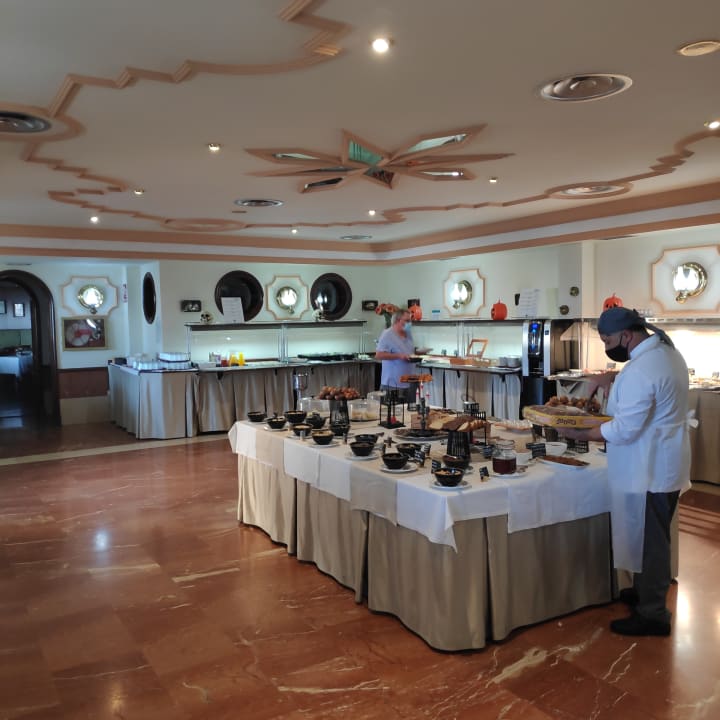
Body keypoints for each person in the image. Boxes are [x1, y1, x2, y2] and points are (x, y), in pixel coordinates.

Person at [562, 306, 696, 637]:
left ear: (626, 335)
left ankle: (653, 613)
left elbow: (624, 430)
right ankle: (643, 591)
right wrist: (609, 378)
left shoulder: (643, 369)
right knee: (646, 531)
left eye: (607, 341)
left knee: (652, 539)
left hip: (650, 466)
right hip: (664, 459)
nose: (607, 347)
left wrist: (580, 433)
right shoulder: (665, 353)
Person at [375, 308, 419, 403]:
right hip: (392, 385)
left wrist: (418, 353)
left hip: (410, 383)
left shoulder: (408, 333)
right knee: (393, 411)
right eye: (407, 321)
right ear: (398, 320)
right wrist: (399, 356)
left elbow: (408, 351)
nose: (410, 323)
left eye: (410, 321)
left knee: (411, 411)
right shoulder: (387, 334)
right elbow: (379, 355)